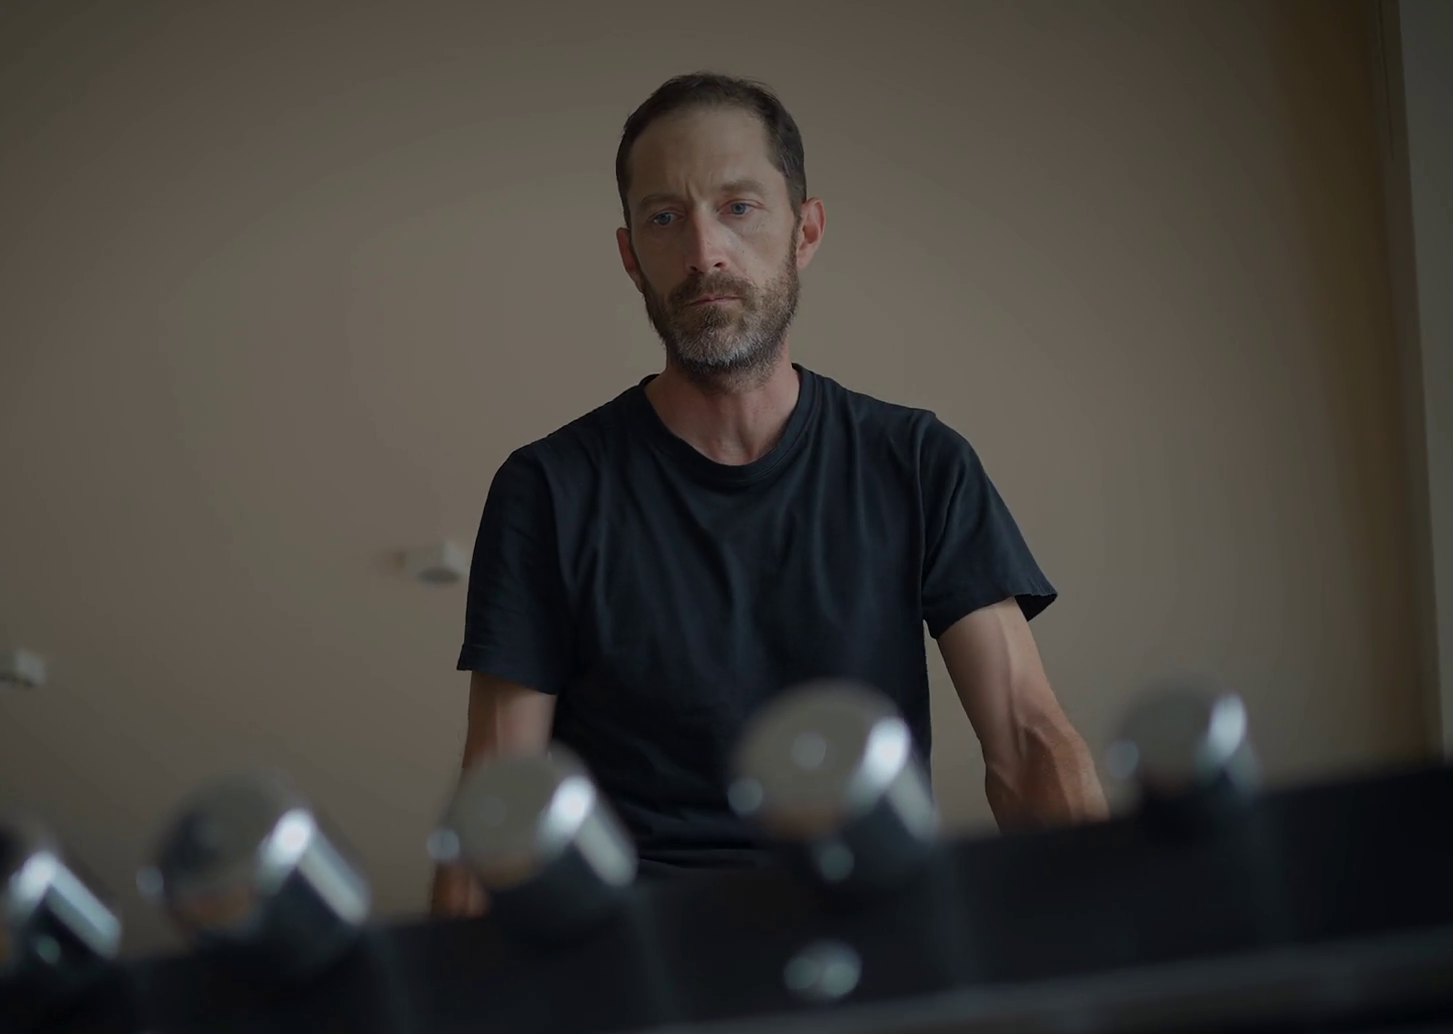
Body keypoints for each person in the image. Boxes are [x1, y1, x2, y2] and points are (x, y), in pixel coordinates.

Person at [430, 73, 1107, 917]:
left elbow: (1028, 743)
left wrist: (1109, 941)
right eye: (665, 218)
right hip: (642, 951)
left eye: (739, 207)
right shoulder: (549, 490)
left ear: (806, 231)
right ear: (631, 257)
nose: (704, 252)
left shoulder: (918, 462)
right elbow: (497, 801)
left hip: (874, 921)